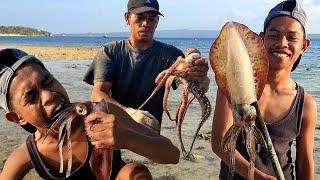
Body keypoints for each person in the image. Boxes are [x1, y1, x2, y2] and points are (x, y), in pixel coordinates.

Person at [0, 48, 180, 180]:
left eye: (48, 81)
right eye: (31, 97)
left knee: (134, 173)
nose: (48, 96)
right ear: (17, 118)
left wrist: (127, 138)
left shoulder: (100, 113)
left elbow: (172, 154)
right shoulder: (31, 153)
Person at [83, 0, 210, 164]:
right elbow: (98, 93)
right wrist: (129, 114)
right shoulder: (109, 52)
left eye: (152, 18)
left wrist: (201, 77)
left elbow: (196, 87)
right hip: (112, 130)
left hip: (148, 133)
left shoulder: (170, 54)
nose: (146, 23)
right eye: (140, 17)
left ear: (157, 22)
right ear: (127, 18)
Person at [211, 0, 317, 179]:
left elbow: (304, 162)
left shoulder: (305, 103)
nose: (282, 43)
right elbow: (220, 142)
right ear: (261, 38)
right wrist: (257, 177)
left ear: (304, 45)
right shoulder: (234, 83)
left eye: (291, 37)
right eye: (274, 35)